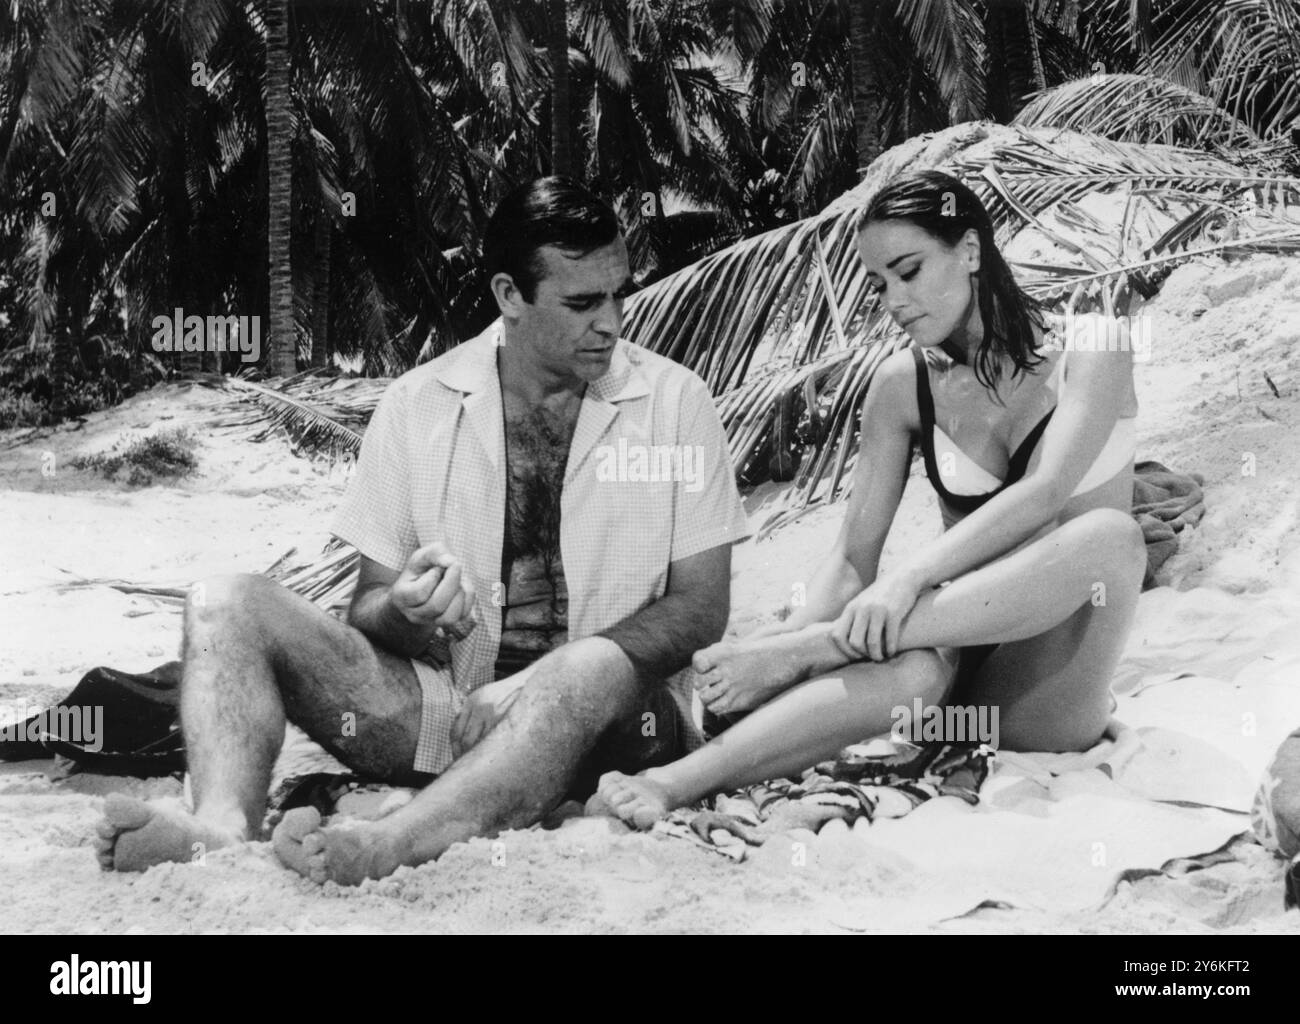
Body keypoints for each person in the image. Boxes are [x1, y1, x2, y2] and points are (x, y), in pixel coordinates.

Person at [93, 177, 748, 883]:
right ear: (509, 296)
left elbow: (701, 609)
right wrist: (405, 611)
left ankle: (390, 845)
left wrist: (544, 677)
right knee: (223, 601)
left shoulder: (677, 402)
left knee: (588, 666)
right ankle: (220, 830)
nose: (613, 321)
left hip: (624, 730)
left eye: (619, 293)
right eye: (583, 302)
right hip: (455, 719)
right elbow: (368, 609)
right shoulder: (416, 405)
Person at [595, 169, 1145, 829]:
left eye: (909, 270)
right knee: (907, 674)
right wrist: (782, 637)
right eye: (880, 284)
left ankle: (825, 647)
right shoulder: (900, 387)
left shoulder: (1095, 346)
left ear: (970, 250)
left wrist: (865, 611)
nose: (895, 299)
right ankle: (672, 781)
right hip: (950, 684)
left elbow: (1044, 492)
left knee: (1111, 538)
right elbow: (855, 562)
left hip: (1048, 688)